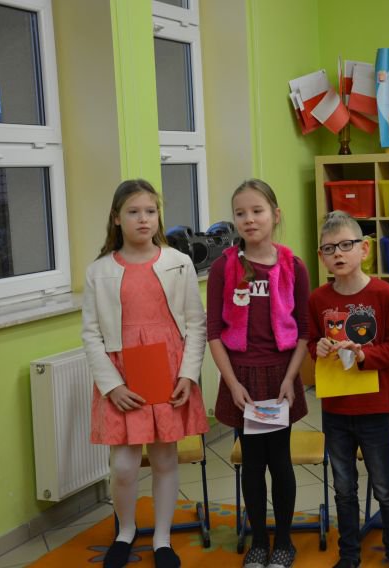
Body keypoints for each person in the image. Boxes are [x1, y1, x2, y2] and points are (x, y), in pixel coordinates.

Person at [81, 179, 209, 568]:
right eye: (133, 212)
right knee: (123, 466)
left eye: (150, 212)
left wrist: (188, 375)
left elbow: (196, 323)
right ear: (116, 218)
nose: (143, 219)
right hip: (121, 377)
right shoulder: (99, 270)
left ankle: (162, 539)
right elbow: (91, 334)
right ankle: (125, 531)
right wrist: (112, 386)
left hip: (168, 373)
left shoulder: (179, 262)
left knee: (165, 459)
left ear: (158, 217)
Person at [207, 179, 310, 568]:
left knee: (280, 461)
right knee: (251, 463)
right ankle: (259, 542)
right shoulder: (224, 267)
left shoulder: (293, 266)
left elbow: (305, 331)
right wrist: (232, 383)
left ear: (275, 215)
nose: (249, 219)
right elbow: (214, 333)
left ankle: (283, 540)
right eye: (240, 213)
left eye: (257, 211)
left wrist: (290, 379)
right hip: (243, 379)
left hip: (280, 377)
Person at [308, 211, 389, 568]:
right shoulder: (318, 299)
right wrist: (319, 347)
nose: (338, 253)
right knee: (343, 489)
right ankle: (349, 556)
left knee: (384, 488)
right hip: (336, 410)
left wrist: (366, 355)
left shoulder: (385, 294)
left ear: (364, 249)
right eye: (329, 248)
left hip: (374, 409)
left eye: (346, 245)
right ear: (321, 256)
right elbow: (312, 344)